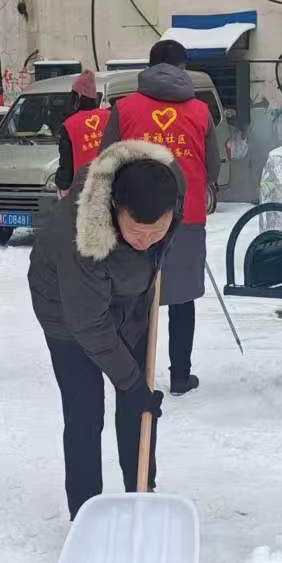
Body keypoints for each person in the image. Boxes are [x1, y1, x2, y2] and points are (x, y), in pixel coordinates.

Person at [28, 140, 182, 518]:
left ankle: (142, 490)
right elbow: (89, 323)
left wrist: (135, 390)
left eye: (156, 231)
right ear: (114, 209)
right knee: (85, 412)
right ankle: (86, 511)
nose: (146, 241)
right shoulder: (78, 237)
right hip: (67, 312)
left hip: (129, 301)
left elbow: (156, 238)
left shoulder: (169, 184)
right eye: (137, 233)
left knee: (138, 405)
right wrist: (130, 383)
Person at [103, 39, 220, 397]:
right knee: (181, 298)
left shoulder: (124, 108)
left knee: (136, 295)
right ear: (182, 68)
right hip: (185, 217)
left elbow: (105, 160)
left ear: (149, 66)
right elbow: (213, 167)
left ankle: (137, 373)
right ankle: (180, 375)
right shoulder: (201, 112)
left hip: (135, 217)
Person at [56, 70, 105, 195]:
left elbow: (66, 163)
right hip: (110, 186)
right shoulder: (109, 116)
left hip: (82, 191)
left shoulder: (70, 124)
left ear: (77, 96)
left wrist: (62, 185)